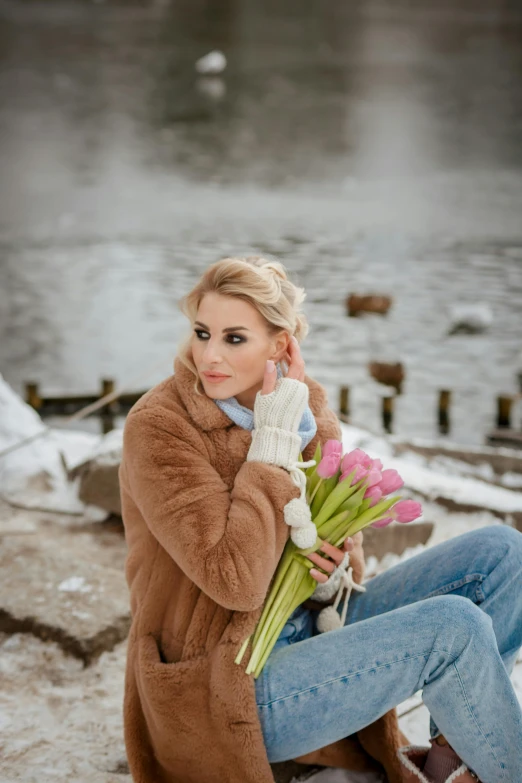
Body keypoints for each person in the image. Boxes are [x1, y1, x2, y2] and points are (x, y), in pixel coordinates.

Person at [118, 256, 522, 783]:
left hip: (311, 635)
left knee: (504, 555)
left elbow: (343, 557)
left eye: (234, 338)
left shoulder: (303, 407)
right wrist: (272, 440)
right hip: (221, 686)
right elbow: (233, 580)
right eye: (202, 332)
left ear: (280, 346)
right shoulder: (161, 427)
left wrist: (329, 577)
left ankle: (453, 764)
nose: (209, 355)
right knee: (454, 627)